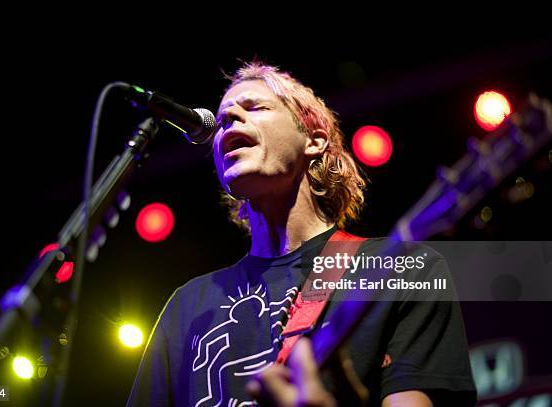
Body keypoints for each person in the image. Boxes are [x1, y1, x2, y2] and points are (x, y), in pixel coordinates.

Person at [127, 61, 476, 406]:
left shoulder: (405, 269)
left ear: (315, 141)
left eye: (254, 106)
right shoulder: (188, 306)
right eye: (221, 120)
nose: (229, 120)